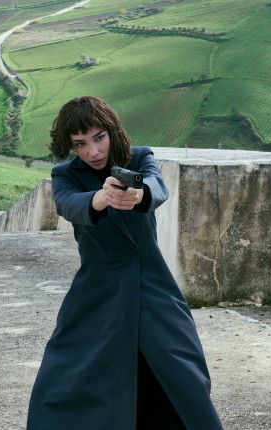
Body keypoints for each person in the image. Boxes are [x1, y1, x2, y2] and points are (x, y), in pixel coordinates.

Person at [27, 96, 223, 430]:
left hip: (150, 279)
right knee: (64, 377)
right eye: (80, 143)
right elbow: (68, 204)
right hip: (96, 287)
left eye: (98, 138)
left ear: (111, 131)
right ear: (70, 145)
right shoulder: (65, 174)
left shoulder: (139, 157)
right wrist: (101, 198)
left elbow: (157, 185)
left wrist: (138, 194)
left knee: (182, 369)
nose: (93, 151)